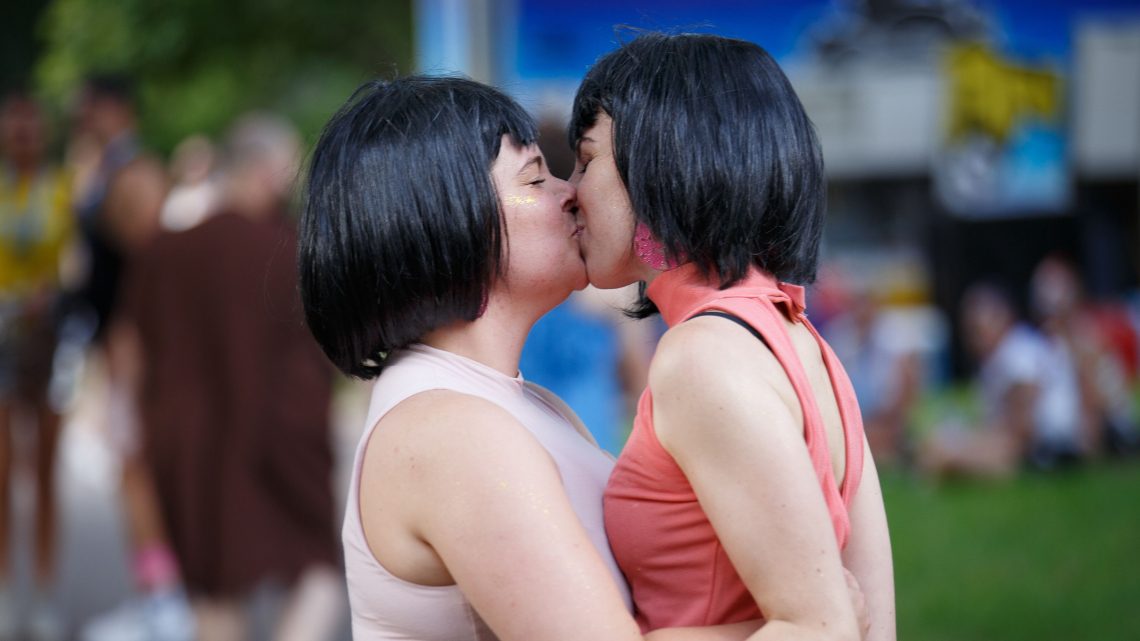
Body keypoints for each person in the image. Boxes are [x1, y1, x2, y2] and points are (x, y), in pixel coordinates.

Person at [299, 75, 800, 641]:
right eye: (535, 177)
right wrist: (798, 622)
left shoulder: (521, 405)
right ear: (447, 219)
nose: (572, 193)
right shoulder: (448, 433)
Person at [567, 33, 895, 640]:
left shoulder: (703, 357)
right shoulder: (800, 340)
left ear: (659, 168)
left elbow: (820, 629)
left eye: (587, 161)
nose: (570, 192)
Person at [89, 113, 343, 641]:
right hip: (281, 435)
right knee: (318, 572)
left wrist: (124, 429)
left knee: (212, 589)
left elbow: (129, 350)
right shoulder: (288, 247)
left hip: (187, 445)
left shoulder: (165, 252)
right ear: (266, 171)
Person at [0, 90, 73, 641]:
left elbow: (76, 265)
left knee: (45, 471)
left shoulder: (63, 189)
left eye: (30, 125)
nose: (22, 134)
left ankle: (45, 591)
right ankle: (6, 590)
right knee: (3, 473)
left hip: (48, 343)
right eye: (13, 125)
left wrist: (56, 291)